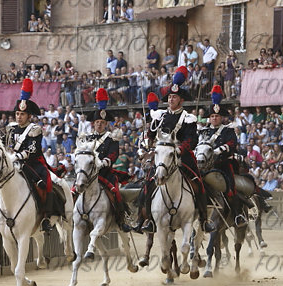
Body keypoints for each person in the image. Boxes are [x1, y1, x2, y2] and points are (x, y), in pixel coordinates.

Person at [138, 66, 214, 233]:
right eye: (170, 96)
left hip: (181, 156)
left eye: (175, 97)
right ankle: (145, 220)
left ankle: (204, 219)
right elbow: (150, 135)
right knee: (148, 184)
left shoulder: (188, 118)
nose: (171, 99)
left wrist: (180, 150)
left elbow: (191, 140)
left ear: (181, 100)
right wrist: (146, 145)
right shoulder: (160, 115)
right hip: (162, 156)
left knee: (198, 183)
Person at [0, 79, 64, 231]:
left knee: (46, 184)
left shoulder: (35, 129)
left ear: (29, 115)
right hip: (15, 163)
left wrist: (17, 156)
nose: (19, 117)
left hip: (34, 163)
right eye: (17, 113)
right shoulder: (11, 127)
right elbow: (5, 142)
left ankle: (46, 216)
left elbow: (32, 149)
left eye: (22, 114)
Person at [84, 88, 132, 232]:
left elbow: (114, 154)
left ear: (106, 124)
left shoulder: (111, 138)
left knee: (116, 193)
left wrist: (105, 162)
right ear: (93, 123)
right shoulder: (87, 138)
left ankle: (121, 219)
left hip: (105, 173)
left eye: (102, 122)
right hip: (89, 173)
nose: (99, 124)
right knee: (74, 190)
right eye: (97, 122)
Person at [198, 86, 247, 226]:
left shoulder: (227, 130)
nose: (214, 118)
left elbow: (232, 144)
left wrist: (218, 151)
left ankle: (238, 215)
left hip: (222, 164)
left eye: (217, 116)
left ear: (221, 117)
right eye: (212, 116)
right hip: (205, 165)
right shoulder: (203, 131)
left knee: (231, 187)